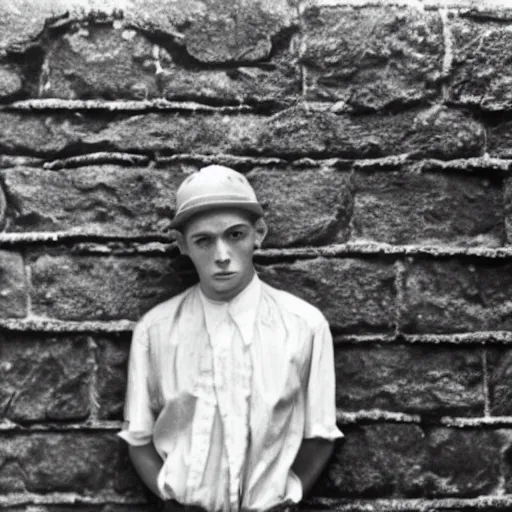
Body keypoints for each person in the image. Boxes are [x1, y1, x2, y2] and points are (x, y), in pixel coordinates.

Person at [118, 165, 342, 512]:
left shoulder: (305, 326)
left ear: (259, 233)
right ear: (183, 245)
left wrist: (289, 496)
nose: (221, 255)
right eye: (204, 240)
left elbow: (321, 434)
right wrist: (170, 500)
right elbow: (139, 439)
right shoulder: (155, 330)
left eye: (235, 235)